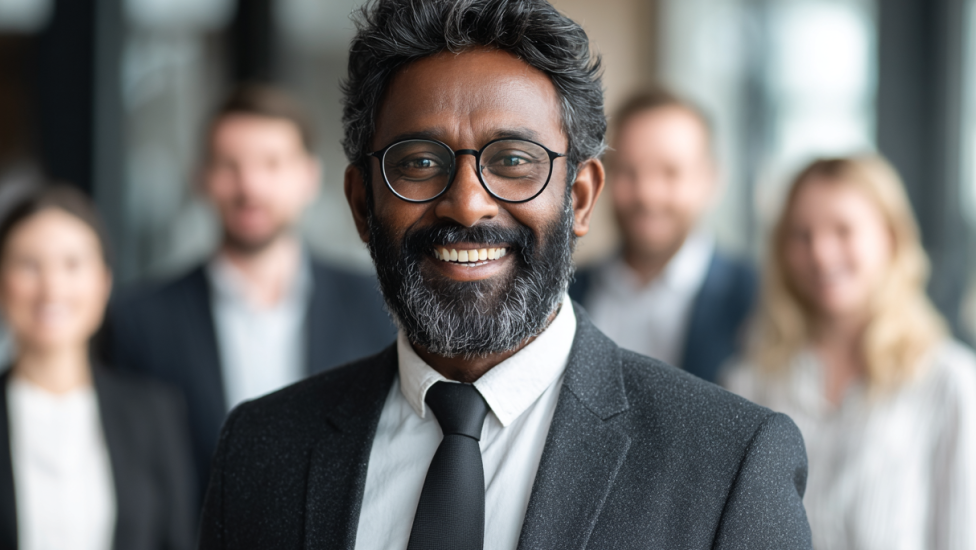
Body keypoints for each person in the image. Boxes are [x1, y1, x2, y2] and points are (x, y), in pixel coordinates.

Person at [198, 1, 811, 548]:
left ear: (582, 198)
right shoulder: (261, 450)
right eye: (418, 162)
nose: (467, 204)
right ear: (362, 203)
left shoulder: (728, 463)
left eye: (514, 161)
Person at [99, 85, 394, 502]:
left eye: (271, 164)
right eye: (229, 165)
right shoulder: (139, 321)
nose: (250, 186)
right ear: (200, 178)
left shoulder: (374, 305)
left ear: (310, 177)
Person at [0, 186, 195, 550]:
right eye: (29, 265)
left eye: (73, 264)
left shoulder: (155, 415)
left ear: (104, 283)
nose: (52, 288)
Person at [724, 156, 976, 550]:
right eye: (801, 235)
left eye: (844, 231)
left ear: (891, 238)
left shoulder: (948, 381)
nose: (821, 254)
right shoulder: (748, 380)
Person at [569, 89, 756, 383]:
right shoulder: (565, 293)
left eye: (669, 173)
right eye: (628, 171)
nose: (647, 194)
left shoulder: (755, 300)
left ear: (710, 180)